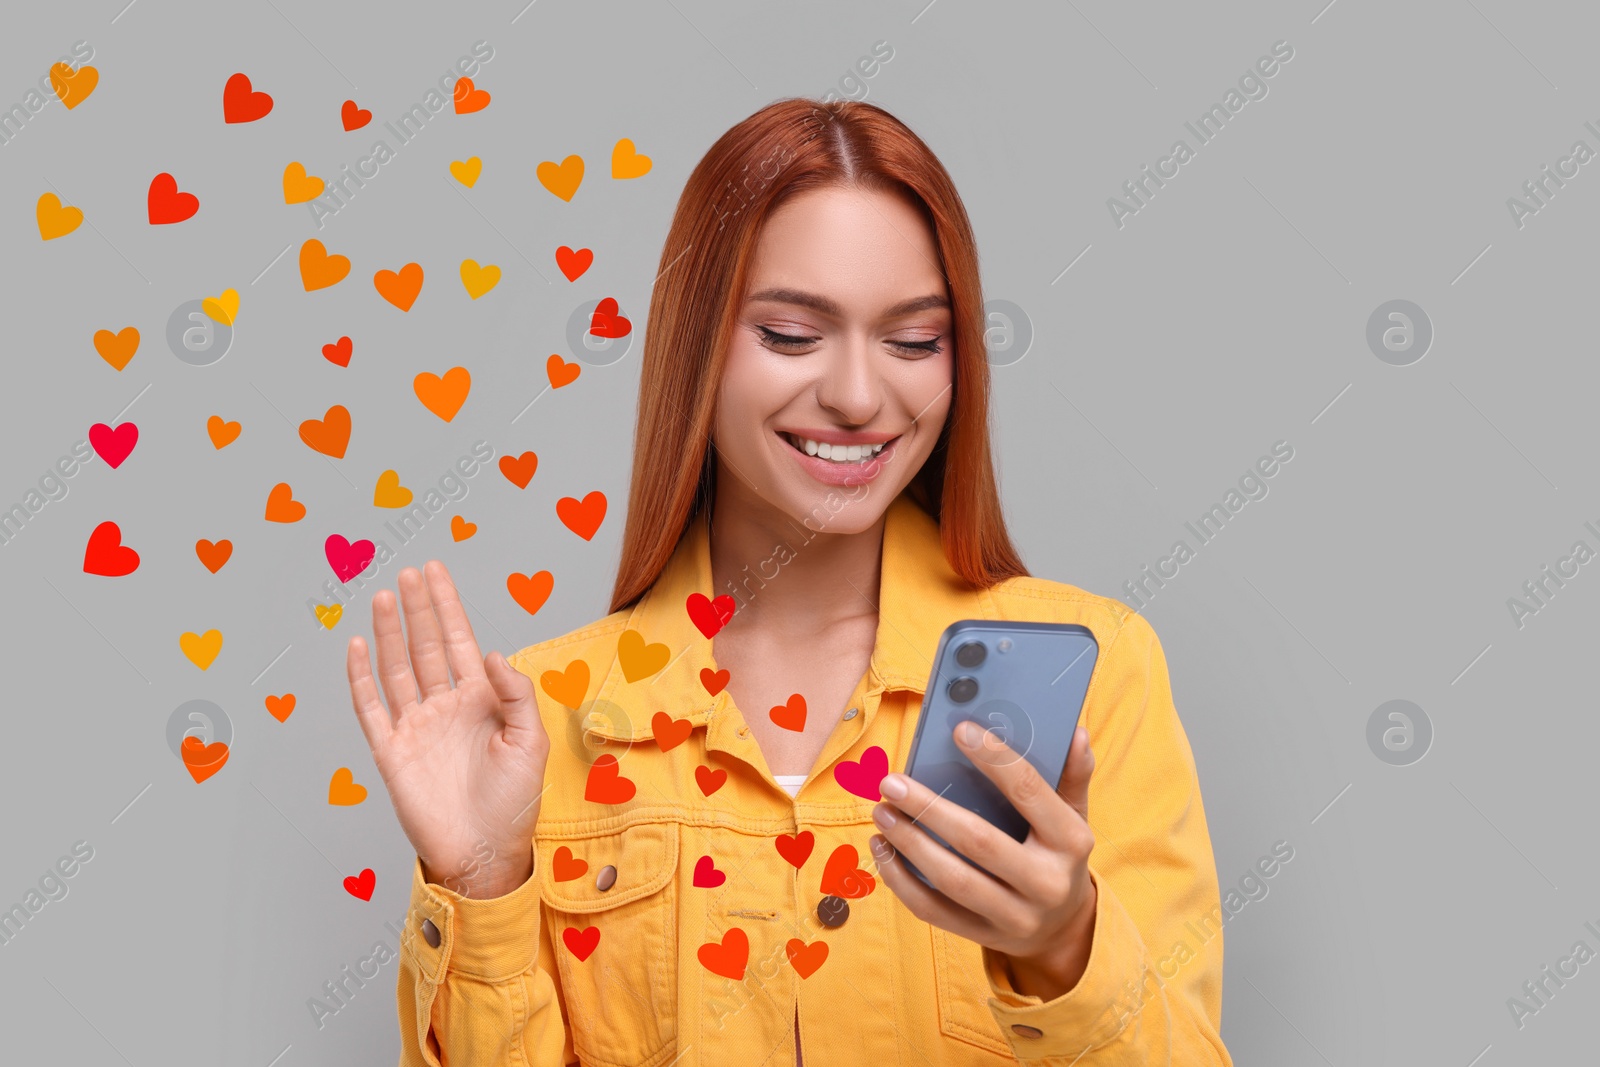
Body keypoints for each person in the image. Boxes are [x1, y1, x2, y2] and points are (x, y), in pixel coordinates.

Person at [346, 97, 1234, 1066]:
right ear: (697, 349)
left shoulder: (1093, 675)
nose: (858, 395)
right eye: (790, 334)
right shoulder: (540, 722)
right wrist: (480, 883)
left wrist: (1063, 944)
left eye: (911, 341)